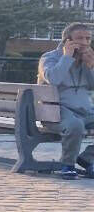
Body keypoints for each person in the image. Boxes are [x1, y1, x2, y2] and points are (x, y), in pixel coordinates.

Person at [38, 22, 94, 178]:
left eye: (88, 38)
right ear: (67, 41)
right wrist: (67, 57)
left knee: (78, 122)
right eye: (80, 38)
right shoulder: (49, 58)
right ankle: (67, 165)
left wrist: (91, 66)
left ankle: (87, 158)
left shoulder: (87, 58)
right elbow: (54, 78)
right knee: (75, 125)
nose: (85, 43)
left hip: (84, 110)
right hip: (55, 112)